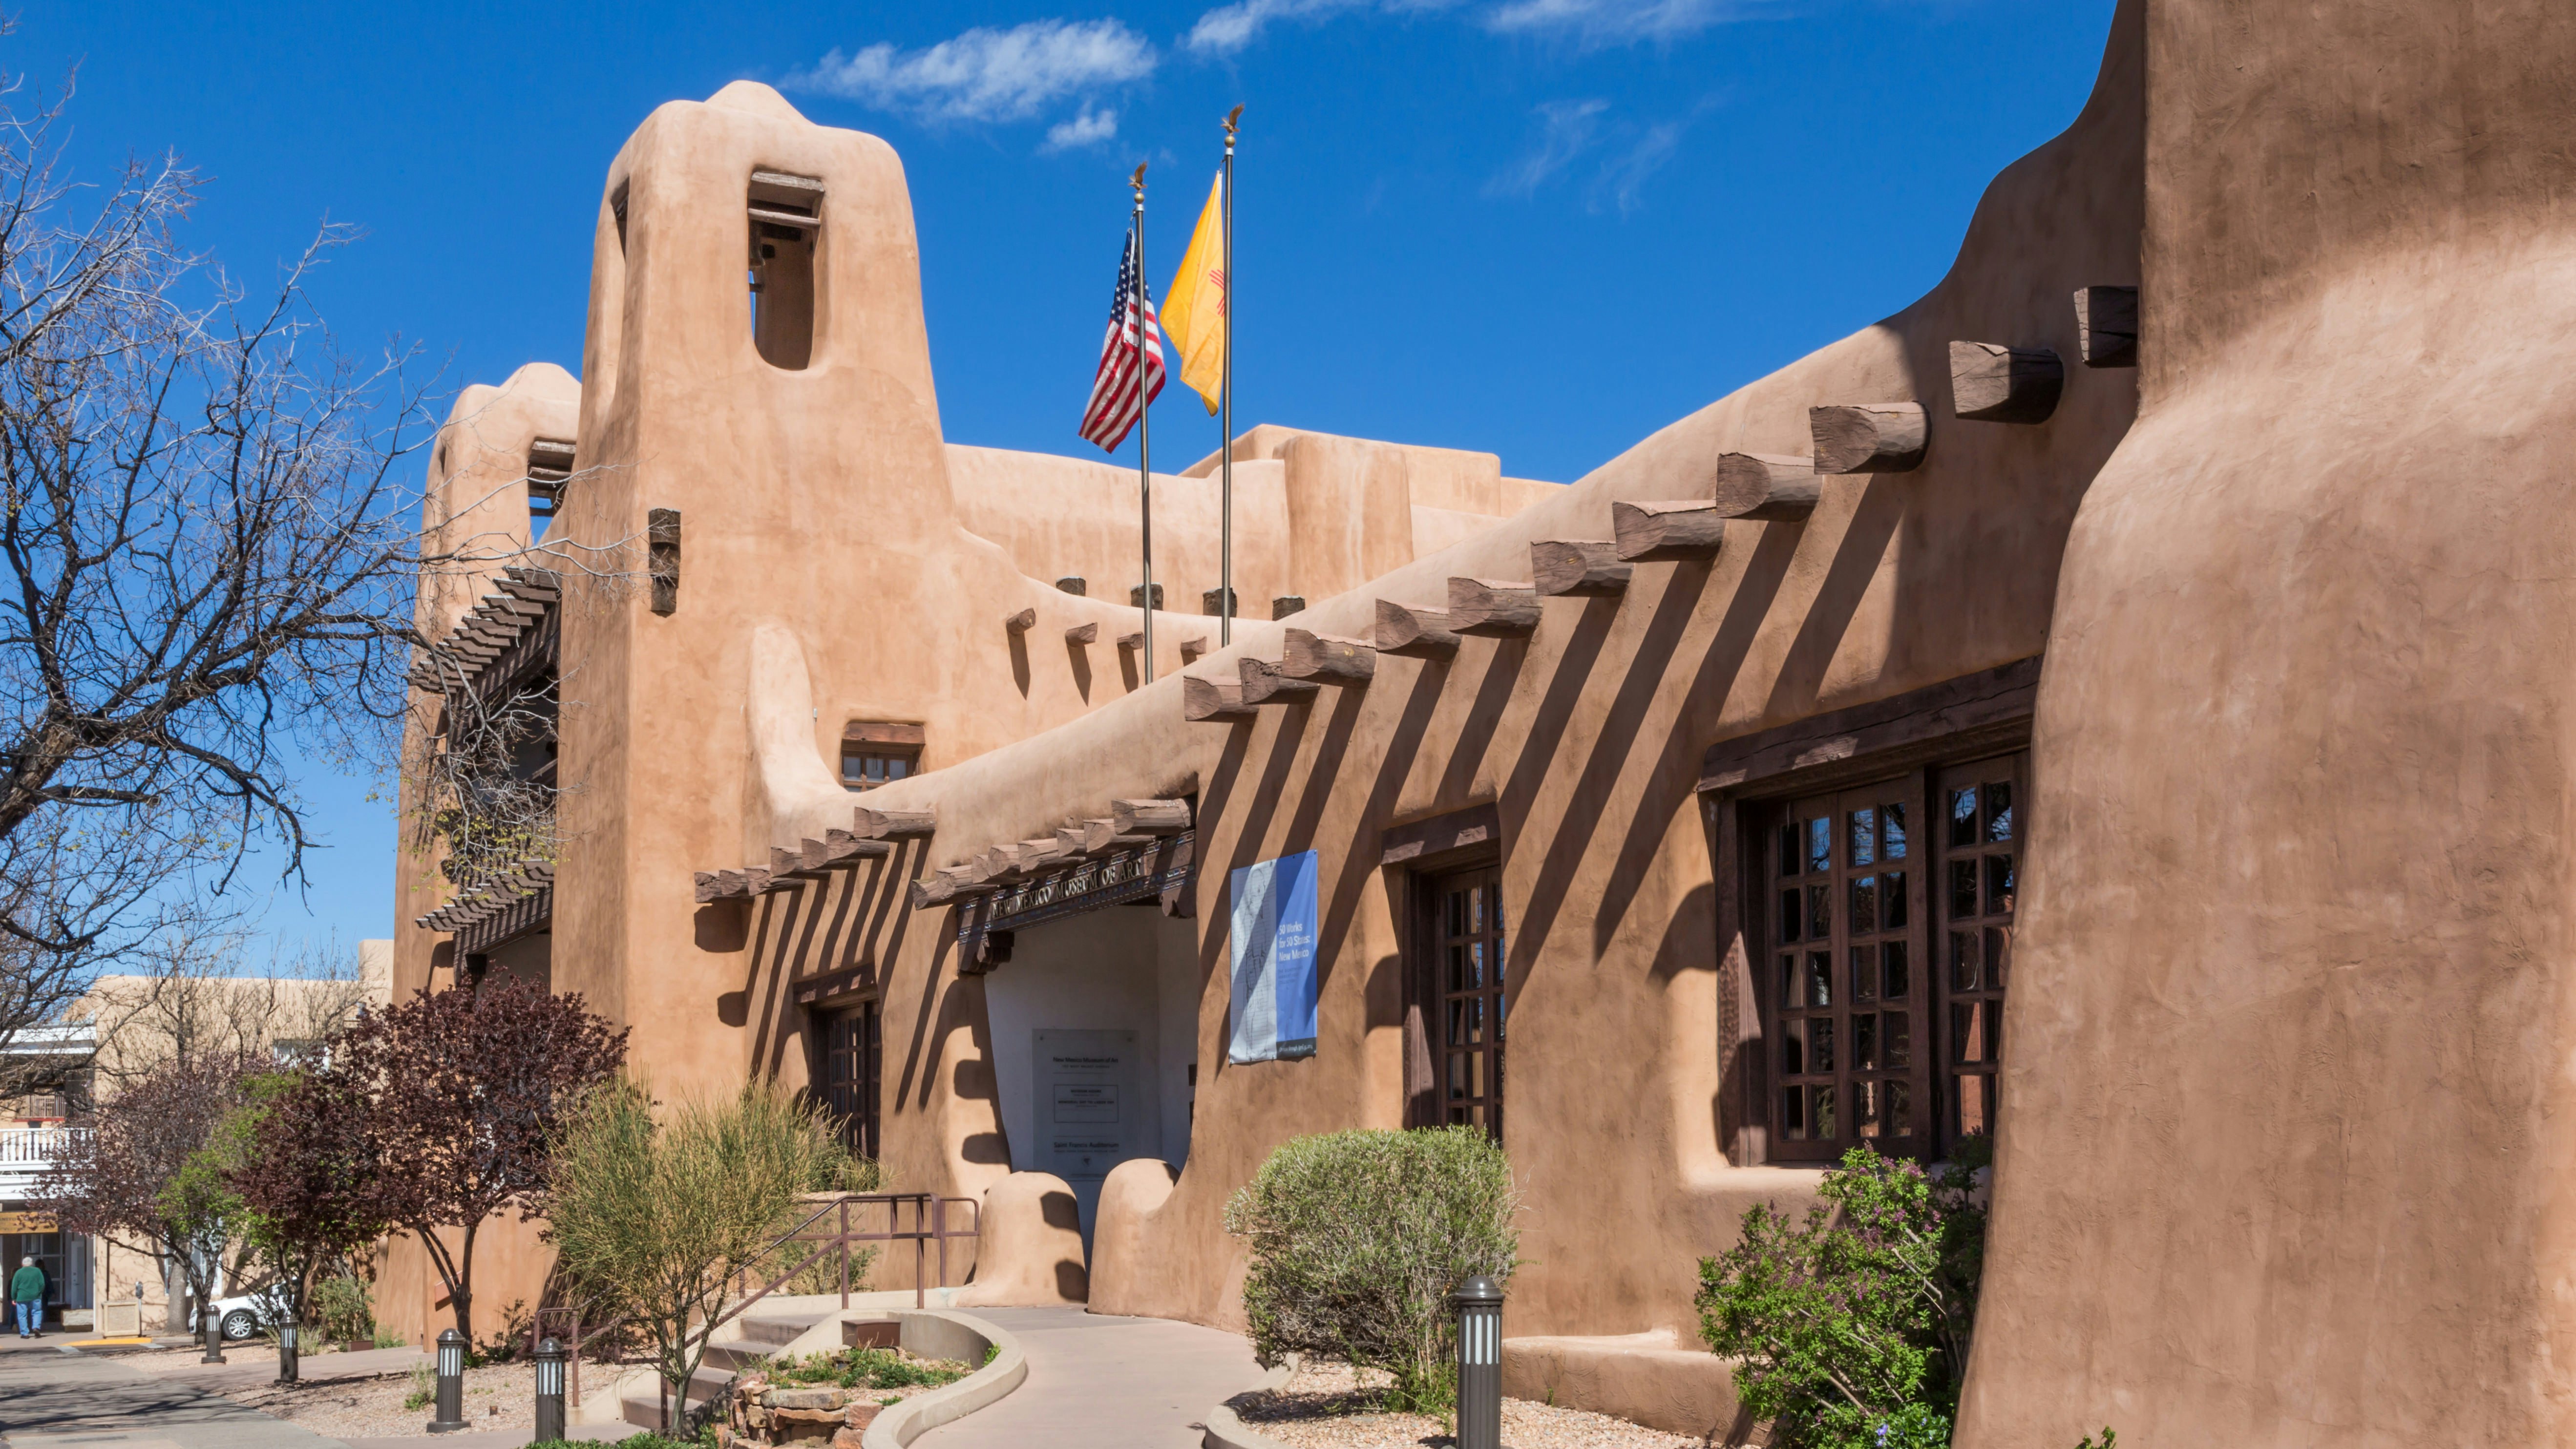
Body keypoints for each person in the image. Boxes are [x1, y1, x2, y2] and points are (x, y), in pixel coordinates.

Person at [10, 1258, 42, 1338]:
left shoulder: (18, 1273)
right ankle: (36, 1327)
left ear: (22, 1264)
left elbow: (14, 1287)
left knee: (22, 1315)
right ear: (32, 1264)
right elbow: (42, 1284)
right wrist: (39, 1293)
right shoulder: (37, 1271)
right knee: (37, 1312)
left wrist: (14, 1298)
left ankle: (25, 1333)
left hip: (22, 1297)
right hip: (35, 1296)